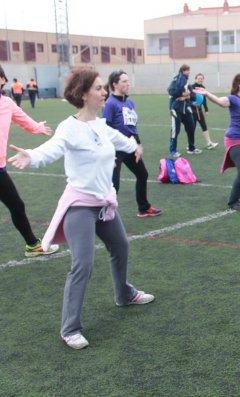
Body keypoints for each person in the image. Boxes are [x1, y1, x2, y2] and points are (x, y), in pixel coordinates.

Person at [8, 68, 155, 349]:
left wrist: (135, 146)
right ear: (84, 93)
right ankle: (70, 328)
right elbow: (52, 148)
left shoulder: (100, 125)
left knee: (121, 247)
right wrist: (31, 155)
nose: (104, 93)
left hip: (104, 204)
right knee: (82, 264)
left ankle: (124, 295)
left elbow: (119, 139)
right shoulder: (69, 127)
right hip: (80, 207)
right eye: (99, 88)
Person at [0, 64, 59, 258]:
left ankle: (33, 245)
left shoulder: (7, 103)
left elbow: (24, 120)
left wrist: (37, 127)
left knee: (17, 205)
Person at [195, 73, 240, 211]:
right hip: (235, 139)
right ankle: (233, 201)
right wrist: (207, 93)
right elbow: (220, 102)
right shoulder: (233, 99)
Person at [103, 70, 162, 218]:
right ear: (115, 84)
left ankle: (144, 208)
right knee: (114, 183)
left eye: (128, 81)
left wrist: (137, 145)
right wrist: (108, 152)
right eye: (124, 81)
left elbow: (132, 126)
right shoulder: (109, 104)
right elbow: (105, 129)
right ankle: (106, 214)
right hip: (115, 149)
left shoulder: (129, 102)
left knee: (142, 174)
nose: (128, 83)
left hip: (130, 146)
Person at [168, 64, 200, 157]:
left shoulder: (187, 83)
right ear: (182, 71)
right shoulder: (176, 80)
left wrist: (187, 95)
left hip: (186, 109)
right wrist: (181, 94)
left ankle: (191, 148)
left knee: (191, 127)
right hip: (176, 109)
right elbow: (171, 91)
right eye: (186, 70)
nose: (188, 72)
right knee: (175, 130)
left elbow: (193, 97)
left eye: (189, 70)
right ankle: (173, 150)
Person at [190, 73, 218, 150]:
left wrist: (206, 110)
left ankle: (209, 143)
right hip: (192, 111)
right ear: (195, 79)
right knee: (192, 128)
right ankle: (191, 145)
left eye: (202, 78)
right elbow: (189, 98)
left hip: (199, 110)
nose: (200, 80)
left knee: (204, 126)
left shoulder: (203, 88)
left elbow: (204, 100)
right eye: (199, 78)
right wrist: (192, 104)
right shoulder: (191, 87)